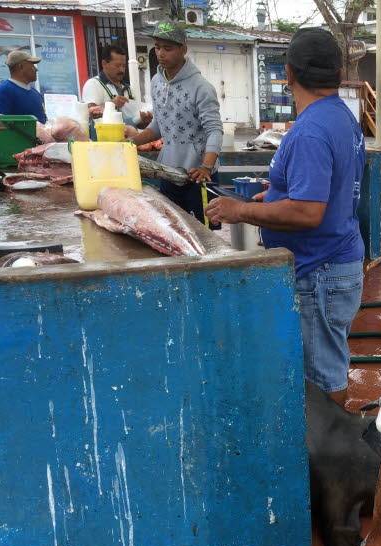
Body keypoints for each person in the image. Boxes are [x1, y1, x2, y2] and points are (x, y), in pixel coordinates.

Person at [204, 28, 364, 406]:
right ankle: (325, 449)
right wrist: (273, 195)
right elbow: (330, 187)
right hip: (333, 261)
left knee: (323, 374)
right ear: (339, 75)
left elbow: (308, 212)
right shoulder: (341, 117)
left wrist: (241, 210)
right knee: (322, 364)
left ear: (289, 74)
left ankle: (330, 458)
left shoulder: (310, 130)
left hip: (320, 269)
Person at [130, 21, 222, 223]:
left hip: (199, 177)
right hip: (169, 174)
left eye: (168, 48)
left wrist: (206, 167)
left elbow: (215, 131)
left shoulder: (201, 88)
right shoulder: (156, 83)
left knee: (208, 236)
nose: (160, 53)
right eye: (157, 47)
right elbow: (158, 127)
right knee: (173, 229)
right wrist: (128, 144)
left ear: (183, 50)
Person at [81, 44, 152, 128]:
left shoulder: (129, 90)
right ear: (104, 64)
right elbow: (90, 114)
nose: (121, 70)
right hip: (105, 139)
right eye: (117, 66)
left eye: (124, 66)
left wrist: (144, 120)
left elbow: (137, 124)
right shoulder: (93, 84)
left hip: (128, 139)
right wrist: (111, 104)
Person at [0, 50, 45, 123]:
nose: (36, 69)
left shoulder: (35, 93)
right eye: (32, 65)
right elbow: (2, 124)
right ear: (21, 67)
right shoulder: (4, 90)